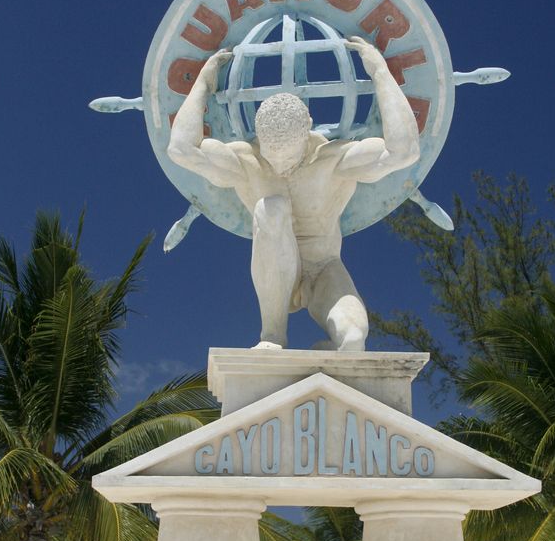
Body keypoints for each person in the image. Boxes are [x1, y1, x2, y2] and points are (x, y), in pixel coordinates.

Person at [167, 36, 420, 351]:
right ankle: (273, 335)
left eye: (288, 156)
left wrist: (380, 74)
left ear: (309, 130)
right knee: (271, 209)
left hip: (323, 266)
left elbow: (404, 151)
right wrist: (203, 83)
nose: (280, 165)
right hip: (274, 270)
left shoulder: (333, 161)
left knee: (354, 339)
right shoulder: (248, 162)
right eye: (272, 154)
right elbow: (181, 149)